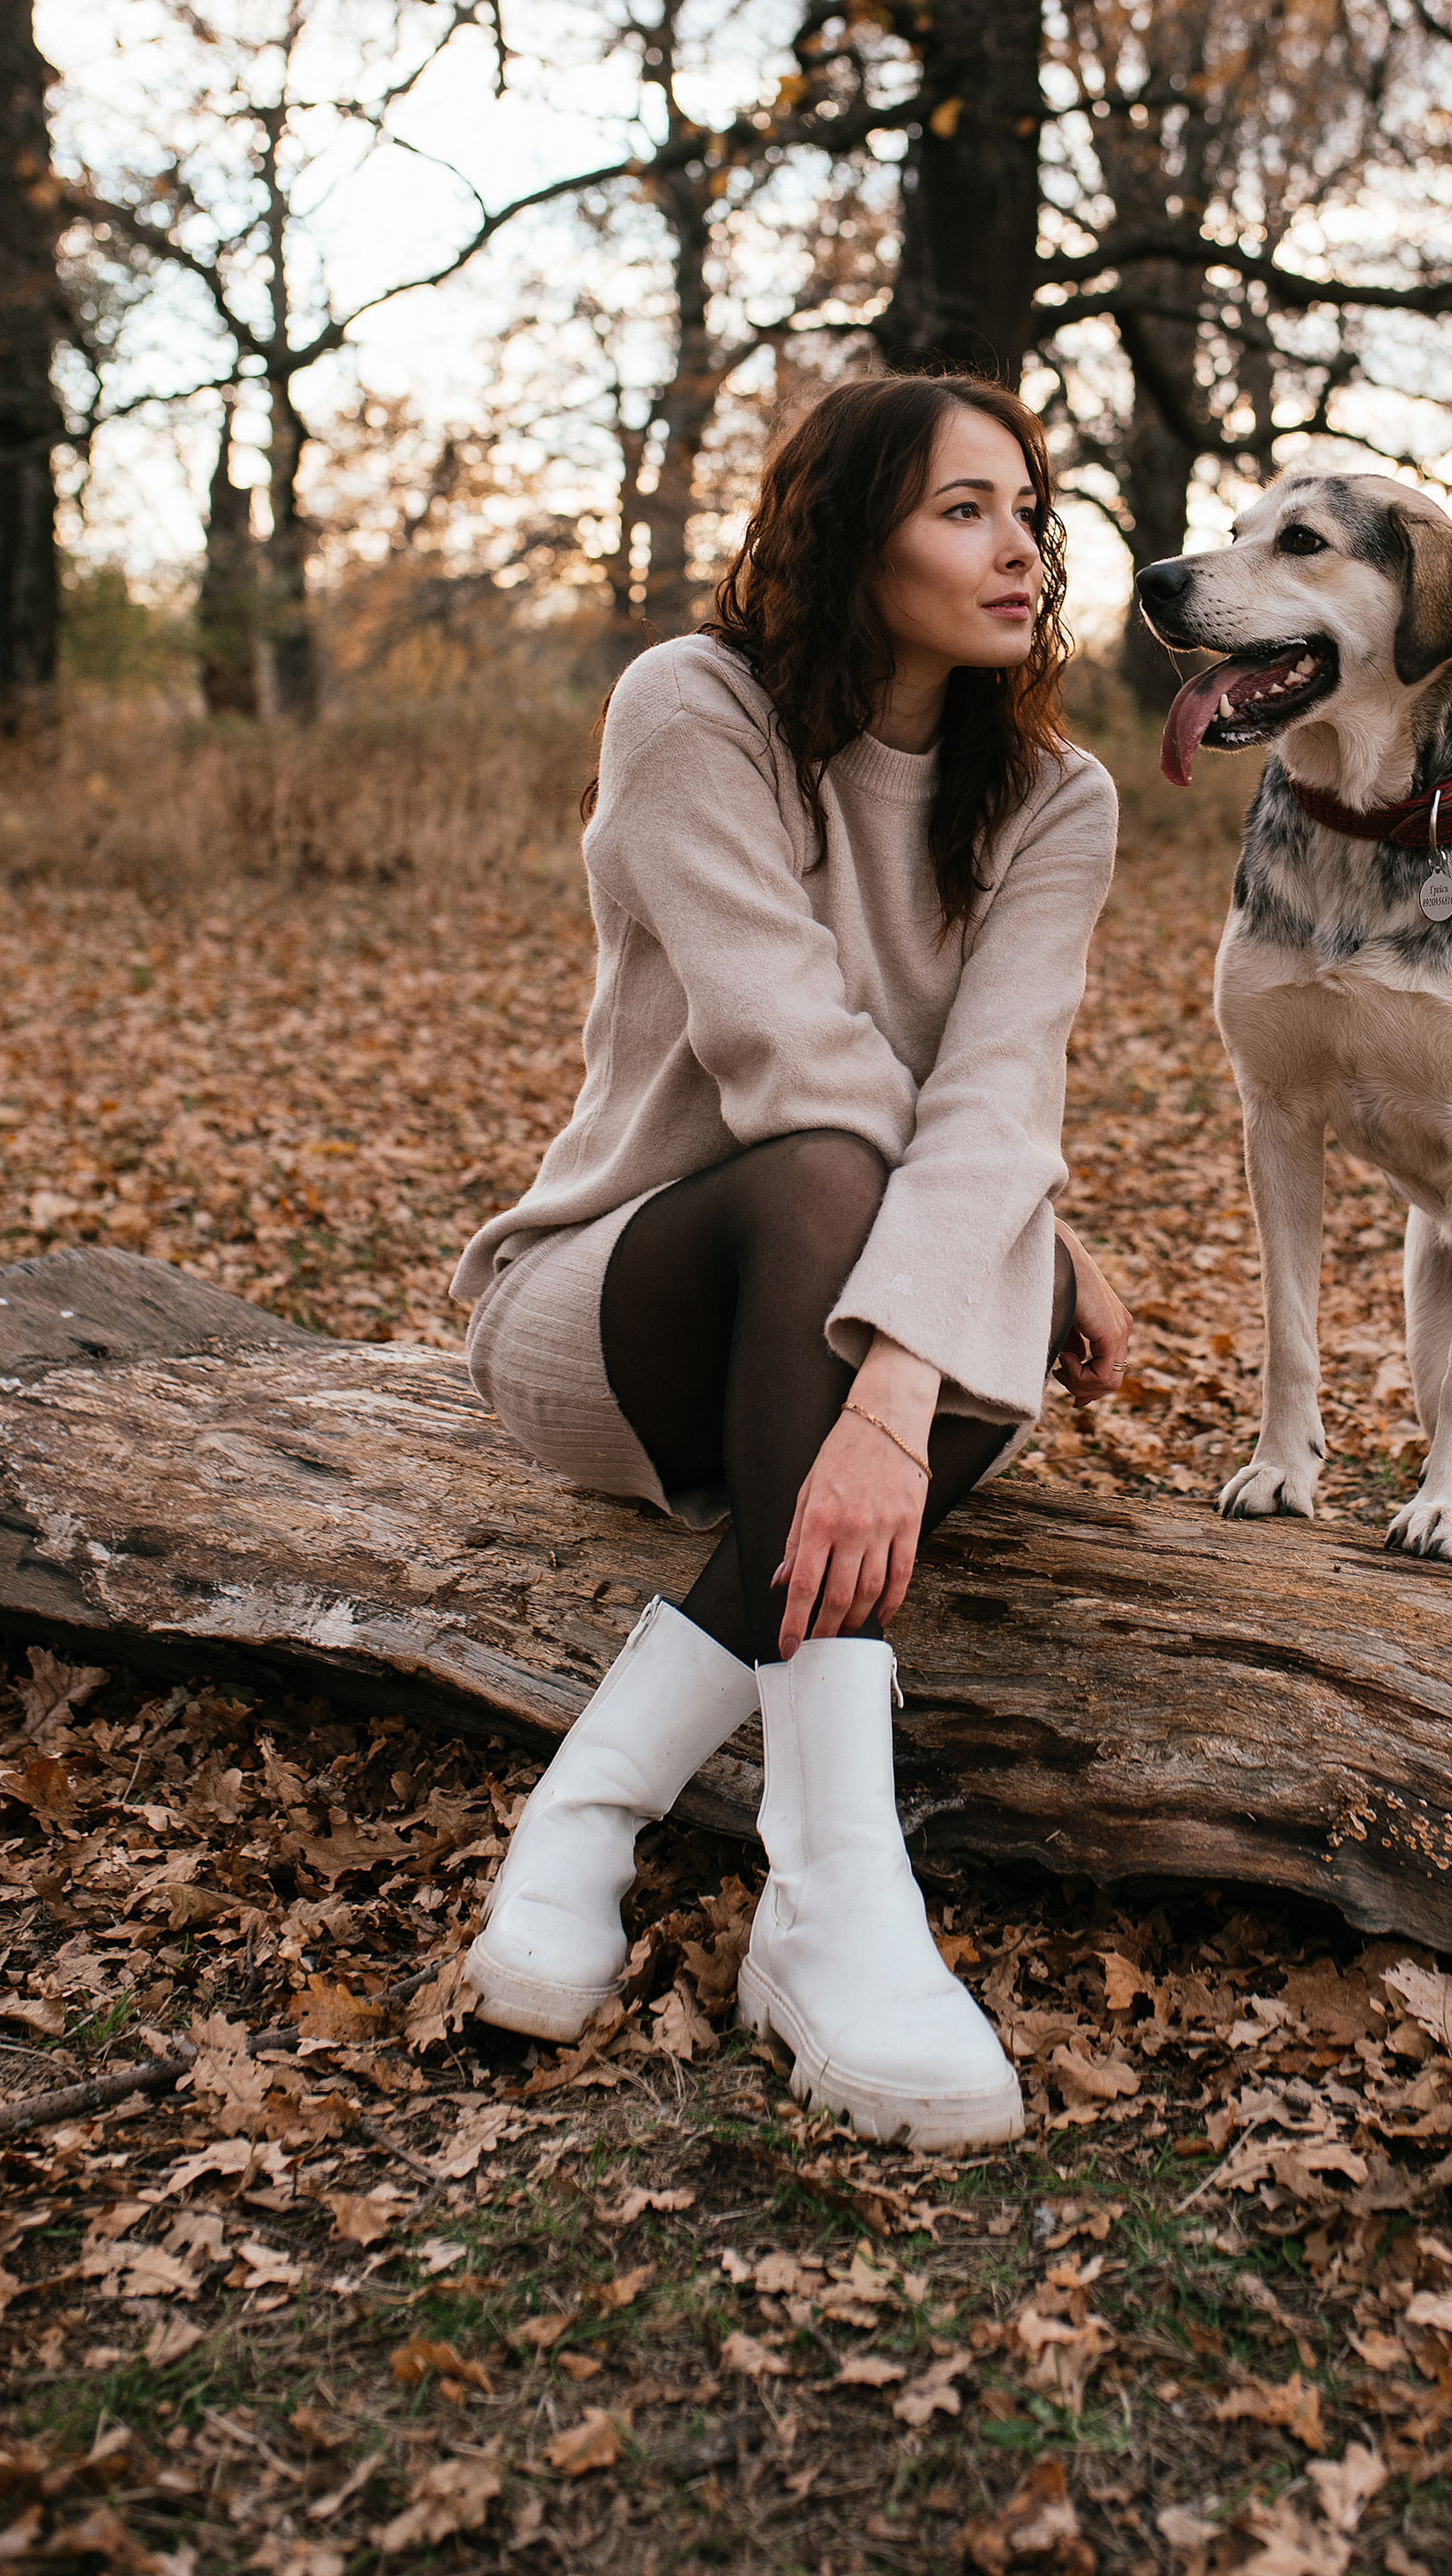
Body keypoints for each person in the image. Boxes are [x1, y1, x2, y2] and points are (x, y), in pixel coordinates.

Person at [449, 375, 1127, 2148]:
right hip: (618, 1299)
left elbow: (999, 1097)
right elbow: (794, 1062)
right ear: (847, 537)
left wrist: (920, 1356)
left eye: (1030, 509)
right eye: (964, 509)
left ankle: (598, 1807)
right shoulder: (694, 707)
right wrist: (1002, 1255)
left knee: (973, 1285)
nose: (1020, 548)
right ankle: (838, 1887)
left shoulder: (1055, 799)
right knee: (846, 1187)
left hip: (835, 1302)